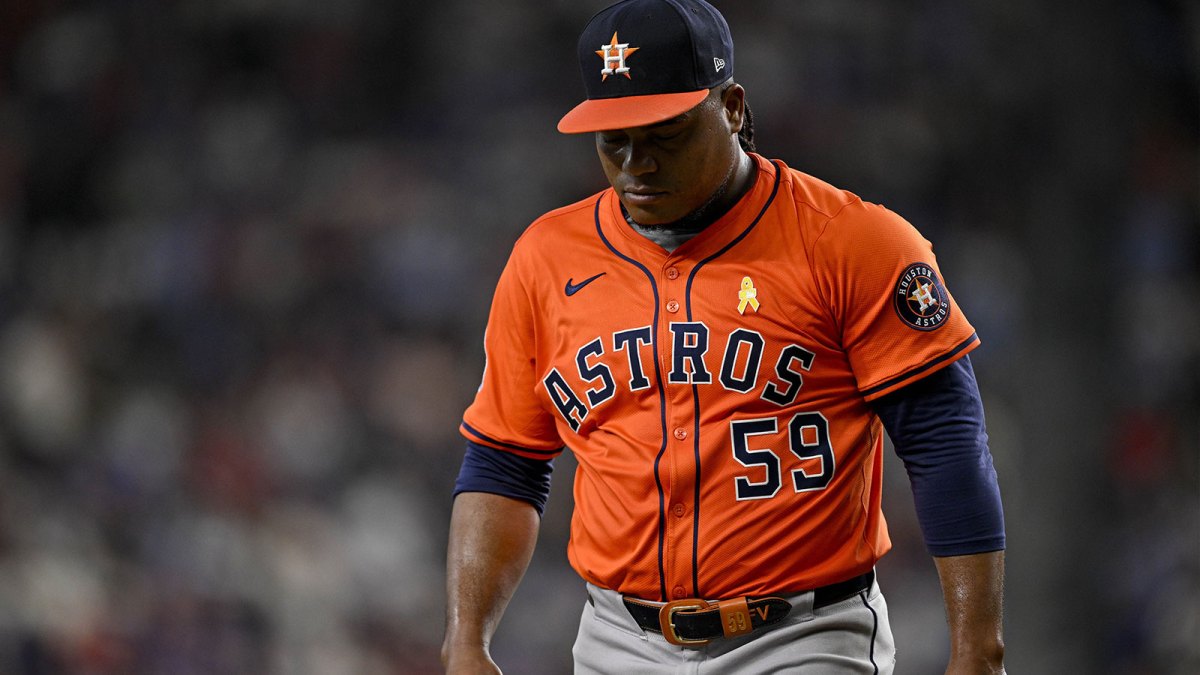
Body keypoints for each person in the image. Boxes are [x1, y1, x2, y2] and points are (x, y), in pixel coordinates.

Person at [442, 0, 1006, 672]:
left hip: (803, 634)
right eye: (613, 140)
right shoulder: (546, 257)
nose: (637, 164)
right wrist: (467, 637)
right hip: (616, 638)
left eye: (664, 132)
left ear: (732, 107)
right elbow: (504, 460)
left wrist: (978, 649)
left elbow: (943, 440)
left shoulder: (853, 242)